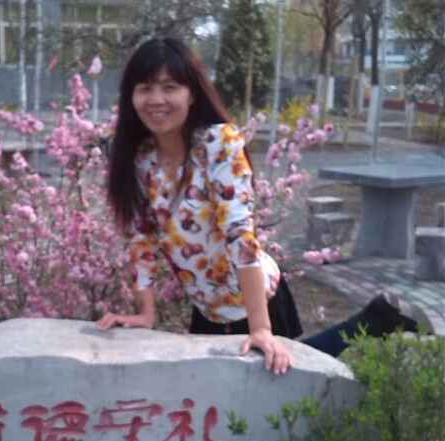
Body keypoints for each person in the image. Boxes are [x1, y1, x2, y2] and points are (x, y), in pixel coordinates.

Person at [96, 37, 432, 374]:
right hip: (207, 307)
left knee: (282, 380)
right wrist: (146, 313)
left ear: (192, 94)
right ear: (131, 96)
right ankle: (378, 318)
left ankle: (375, 321)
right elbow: (142, 239)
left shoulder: (218, 144)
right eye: (145, 88)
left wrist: (260, 328)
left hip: (256, 299)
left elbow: (239, 235)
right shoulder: (141, 159)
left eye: (169, 87)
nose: (156, 99)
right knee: (231, 390)